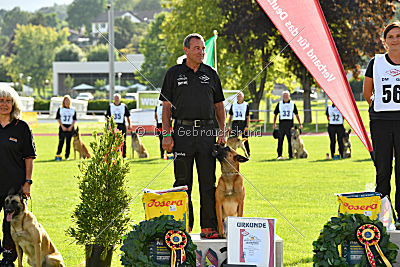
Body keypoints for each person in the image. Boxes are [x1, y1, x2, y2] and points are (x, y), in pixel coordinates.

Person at [160, 33, 226, 239]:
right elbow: (166, 107)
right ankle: (182, 227)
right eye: (197, 48)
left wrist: (222, 130)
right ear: (186, 50)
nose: (201, 52)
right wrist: (166, 135)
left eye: (203, 49)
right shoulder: (173, 73)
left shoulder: (211, 74)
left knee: (208, 182)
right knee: (182, 182)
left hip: (207, 133)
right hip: (182, 133)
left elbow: (219, 105)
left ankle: (209, 227)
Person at [363, 21, 400, 227]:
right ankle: (383, 216)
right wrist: (381, 108)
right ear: (385, 42)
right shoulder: (375, 62)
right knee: (383, 170)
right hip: (381, 122)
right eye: (390, 37)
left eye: (398, 35)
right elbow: (367, 94)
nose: (395, 40)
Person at [0, 86, 36, 266]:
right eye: (1, 101)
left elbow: (29, 157)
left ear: (14, 104)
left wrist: (27, 183)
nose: (4, 104)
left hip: (13, 186)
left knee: (11, 225)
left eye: (8, 101)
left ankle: (8, 258)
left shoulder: (21, 127)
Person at [273, 91, 302, 159]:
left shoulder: (292, 104)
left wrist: (300, 123)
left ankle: (291, 155)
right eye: (284, 96)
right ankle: (279, 154)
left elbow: (297, 114)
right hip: (282, 124)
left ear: (289, 96)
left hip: (290, 124)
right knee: (280, 140)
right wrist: (274, 124)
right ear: (282, 96)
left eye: (286, 95)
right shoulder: (279, 104)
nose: (285, 97)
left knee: (290, 140)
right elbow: (275, 114)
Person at [106, 93, 131, 158]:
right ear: (114, 99)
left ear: (120, 99)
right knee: (113, 141)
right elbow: (107, 117)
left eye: (118, 98)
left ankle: (124, 156)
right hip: (113, 126)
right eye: (115, 98)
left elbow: (128, 116)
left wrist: (129, 124)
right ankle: (115, 155)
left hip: (122, 125)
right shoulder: (111, 106)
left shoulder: (123, 106)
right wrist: (107, 125)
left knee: (123, 140)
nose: (116, 99)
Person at [227, 92, 250, 157]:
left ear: (243, 97)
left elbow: (248, 116)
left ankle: (247, 154)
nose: (239, 98)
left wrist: (247, 126)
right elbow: (230, 116)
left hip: (243, 123)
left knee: (245, 139)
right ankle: (233, 154)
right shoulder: (233, 105)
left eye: (240, 96)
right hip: (235, 123)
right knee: (234, 139)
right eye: (238, 96)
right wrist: (229, 126)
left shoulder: (246, 105)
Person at [55, 95, 76, 161]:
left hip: (70, 126)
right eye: (65, 100)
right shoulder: (60, 108)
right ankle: (58, 155)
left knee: (68, 142)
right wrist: (62, 126)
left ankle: (67, 156)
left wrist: (71, 127)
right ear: (63, 101)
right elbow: (58, 118)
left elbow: (74, 119)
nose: (67, 102)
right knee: (61, 141)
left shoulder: (73, 109)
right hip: (62, 126)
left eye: (68, 100)